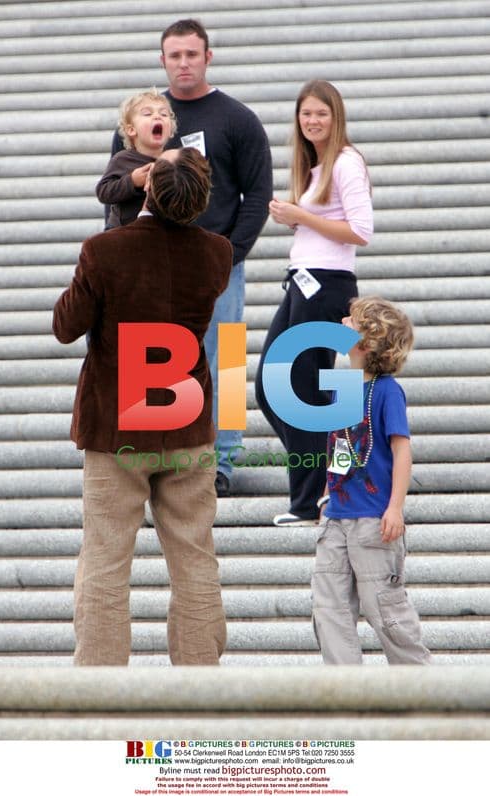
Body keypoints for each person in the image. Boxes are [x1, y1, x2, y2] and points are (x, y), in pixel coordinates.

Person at [53, 148, 232, 666]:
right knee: (195, 558)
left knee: (106, 560)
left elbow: (66, 326)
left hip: (117, 425)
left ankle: (102, 689)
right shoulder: (217, 253)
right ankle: (200, 682)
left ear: (148, 187)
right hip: (186, 422)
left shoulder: (104, 250)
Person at [108, 18, 273, 498]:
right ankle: (159, 459)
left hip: (217, 265)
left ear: (208, 58)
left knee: (225, 364)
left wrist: (230, 255)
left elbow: (258, 196)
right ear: (162, 60)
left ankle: (221, 461)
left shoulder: (236, 119)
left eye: (192, 54)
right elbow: (114, 195)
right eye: (174, 55)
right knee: (157, 363)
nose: (183, 63)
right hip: (153, 267)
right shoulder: (141, 119)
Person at [255, 79, 373, 526]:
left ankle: (312, 499)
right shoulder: (316, 166)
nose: (312, 121)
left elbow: (362, 231)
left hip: (327, 286)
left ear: (335, 116)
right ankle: (328, 481)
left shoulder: (345, 162)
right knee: (271, 388)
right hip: (302, 283)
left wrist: (301, 215)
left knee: (299, 391)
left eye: (321, 113)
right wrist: (300, 219)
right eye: (306, 114)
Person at [312, 296, 432, 665]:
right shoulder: (343, 386)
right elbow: (341, 447)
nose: (342, 320)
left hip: (373, 521)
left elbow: (401, 450)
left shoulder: (387, 391)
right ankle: (347, 696)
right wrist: (324, 497)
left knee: (386, 610)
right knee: (328, 607)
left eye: (351, 320)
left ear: (364, 343)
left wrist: (396, 506)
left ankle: (425, 692)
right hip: (337, 519)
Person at [96, 89, 176, 228]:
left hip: (162, 234)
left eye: (164, 114)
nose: (157, 117)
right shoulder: (123, 160)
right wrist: (132, 181)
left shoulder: (174, 160)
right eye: (147, 114)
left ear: (170, 130)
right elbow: (104, 192)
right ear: (131, 130)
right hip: (124, 234)